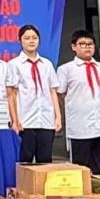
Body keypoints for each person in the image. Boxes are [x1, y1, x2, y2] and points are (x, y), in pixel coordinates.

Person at [54, 29, 100, 175]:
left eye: (90, 44)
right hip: (80, 128)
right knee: (81, 172)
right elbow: (60, 94)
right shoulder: (66, 69)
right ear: (73, 47)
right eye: (82, 44)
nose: (87, 47)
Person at [6, 24, 60, 164]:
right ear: (20, 40)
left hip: (46, 119)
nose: (31, 41)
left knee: (45, 160)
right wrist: (15, 120)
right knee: (25, 160)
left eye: (34, 38)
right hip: (25, 120)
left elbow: (52, 91)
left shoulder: (46, 64)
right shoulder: (14, 64)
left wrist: (58, 117)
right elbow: (11, 94)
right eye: (27, 38)